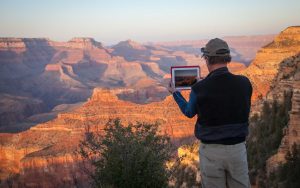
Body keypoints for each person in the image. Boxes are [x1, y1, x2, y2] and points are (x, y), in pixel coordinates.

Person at [168, 38, 252, 188]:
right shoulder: (244, 83)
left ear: (207, 59)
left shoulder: (199, 88)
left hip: (211, 152)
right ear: (227, 58)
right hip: (237, 150)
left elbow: (189, 112)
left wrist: (175, 93)